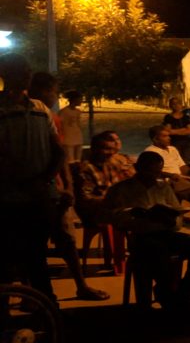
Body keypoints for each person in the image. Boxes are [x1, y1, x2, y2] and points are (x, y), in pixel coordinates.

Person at [27, 73, 110, 301]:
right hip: (50, 189)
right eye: (54, 92)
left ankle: (36, 295)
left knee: (39, 245)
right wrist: (67, 186)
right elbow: (60, 154)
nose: (55, 97)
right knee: (60, 240)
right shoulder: (47, 116)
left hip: (44, 188)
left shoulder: (45, 115)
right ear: (45, 91)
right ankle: (72, 287)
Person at [104, 151, 190, 315]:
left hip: (165, 233)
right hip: (141, 236)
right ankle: (167, 292)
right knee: (157, 251)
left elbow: (177, 215)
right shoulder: (120, 189)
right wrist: (132, 214)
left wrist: (171, 219)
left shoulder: (163, 187)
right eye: (149, 171)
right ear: (137, 168)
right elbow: (109, 216)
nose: (152, 176)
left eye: (156, 172)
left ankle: (184, 290)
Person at [0, 54, 65, 301]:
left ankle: (46, 310)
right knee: (6, 258)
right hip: (9, 198)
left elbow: (57, 150)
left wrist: (45, 180)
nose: (27, 74)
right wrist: (22, 180)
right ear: (5, 74)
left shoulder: (40, 110)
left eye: (27, 70)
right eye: (20, 70)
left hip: (40, 197)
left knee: (37, 256)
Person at [162, 97, 190, 165]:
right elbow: (168, 131)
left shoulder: (186, 117)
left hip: (186, 143)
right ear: (170, 105)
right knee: (175, 162)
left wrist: (175, 131)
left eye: (178, 103)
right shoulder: (168, 117)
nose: (176, 105)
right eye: (174, 104)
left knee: (185, 163)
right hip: (174, 143)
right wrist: (183, 130)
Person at [59, 89, 85, 163]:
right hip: (68, 138)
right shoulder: (63, 112)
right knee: (70, 160)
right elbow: (60, 125)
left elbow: (78, 124)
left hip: (78, 137)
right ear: (74, 99)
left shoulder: (78, 112)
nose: (81, 101)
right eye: (80, 99)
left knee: (78, 160)